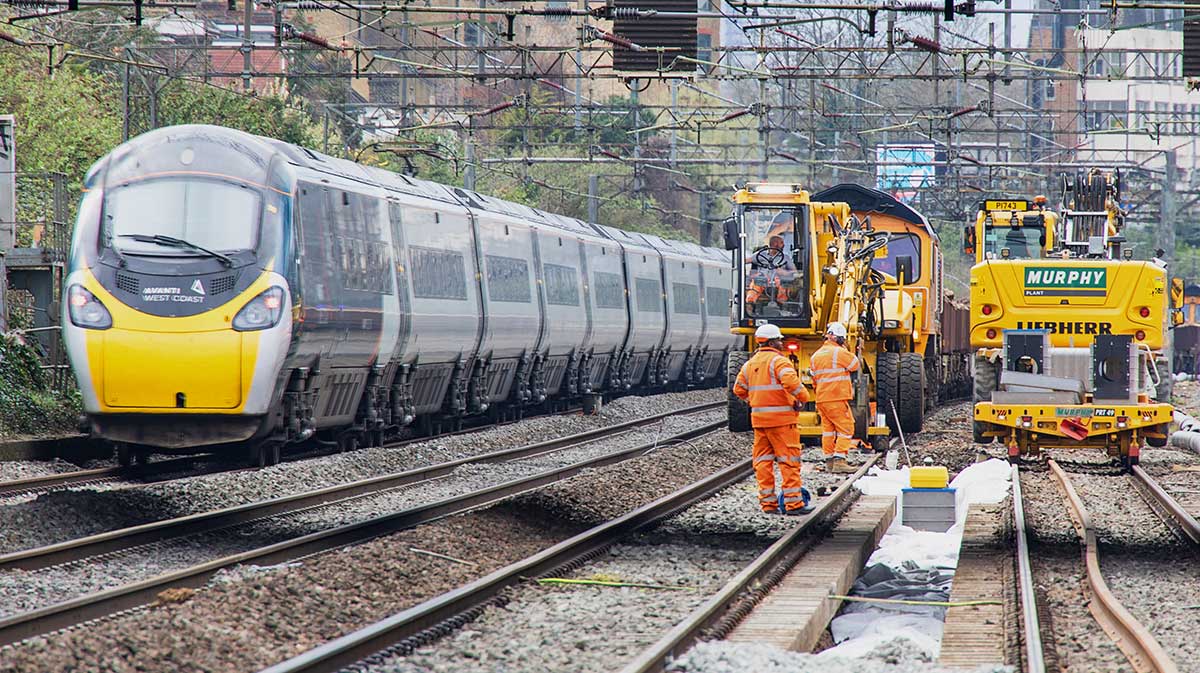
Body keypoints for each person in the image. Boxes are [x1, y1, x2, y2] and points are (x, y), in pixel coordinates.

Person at [732, 323, 813, 515]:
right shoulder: (779, 362)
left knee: (763, 463)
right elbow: (792, 383)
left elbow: (738, 389)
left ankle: (768, 505)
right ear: (773, 342)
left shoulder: (749, 364)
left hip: (760, 422)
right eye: (779, 340)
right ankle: (794, 504)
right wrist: (802, 398)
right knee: (789, 461)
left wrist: (754, 400)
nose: (782, 343)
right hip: (782, 422)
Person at [810, 322, 861, 474]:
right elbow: (855, 365)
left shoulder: (815, 356)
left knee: (828, 431)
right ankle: (840, 460)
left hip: (821, 399)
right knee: (846, 427)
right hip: (836, 397)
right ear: (839, 338)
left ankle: (830, 461)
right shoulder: (839, 352)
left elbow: (814, 380)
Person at [745, 235, 793, 307]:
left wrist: (785, 273)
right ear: (775, 244)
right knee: (755, 285)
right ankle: (750, 304)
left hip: (778, 281)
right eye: (781, 243)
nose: (784, 245)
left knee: (783, 284)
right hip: (762, 280)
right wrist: (752, 275)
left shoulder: (786, 258)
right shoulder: (760, 254)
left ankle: (782, 305)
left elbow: (795, 272)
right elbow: (745, 261)